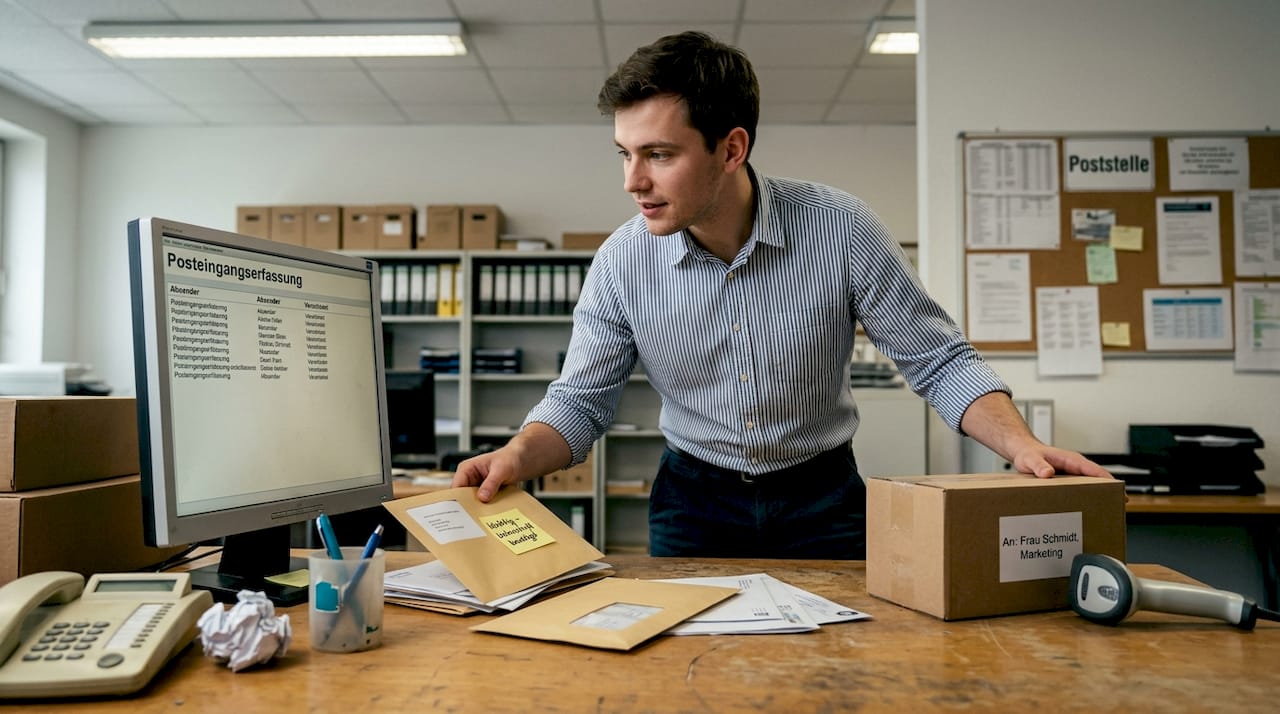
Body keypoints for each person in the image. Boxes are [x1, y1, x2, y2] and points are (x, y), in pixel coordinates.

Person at [453, 31, 1111, 559]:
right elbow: (579, 403)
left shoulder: (842, 226)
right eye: (623, 154)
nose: (633, 181)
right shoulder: (622, 260)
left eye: (657, 154)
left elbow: (937, 360)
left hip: (823, 501)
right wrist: (515, 455)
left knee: (834, 671)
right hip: (693, 505)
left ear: (731, 147)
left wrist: (1022, 446)